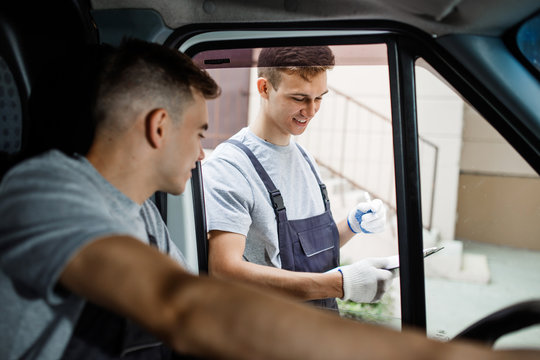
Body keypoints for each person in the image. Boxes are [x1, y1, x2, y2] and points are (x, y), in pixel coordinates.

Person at [1, 39, 538, 360]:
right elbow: (184, 303)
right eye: (199, 132)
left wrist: (347, 228)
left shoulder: (141, 212)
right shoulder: (46, 190)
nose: (204, 150)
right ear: (159, 127)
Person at [203, 46, 393, 310]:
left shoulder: (305, 159)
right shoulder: (230, 167)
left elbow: (307, 253)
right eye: (299, 98)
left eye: (319, 98)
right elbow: (224, 269)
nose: (312, 110)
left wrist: (351, 225)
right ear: (264, 88)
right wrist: (340, 284)